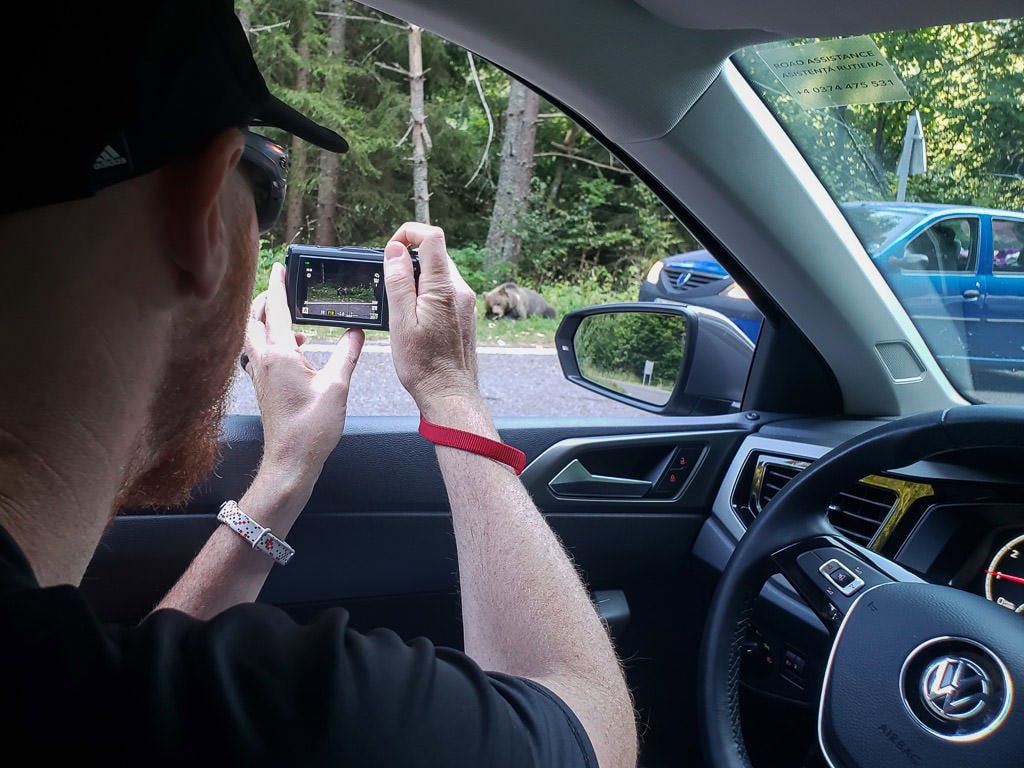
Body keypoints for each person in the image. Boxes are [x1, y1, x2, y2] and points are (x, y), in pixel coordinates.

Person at [0, 2, 637, 766]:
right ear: (204, 215)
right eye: (261, 187)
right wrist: (449, 391)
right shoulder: (315, 719)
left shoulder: (83, 692)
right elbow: (591, 724)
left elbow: (124, 697)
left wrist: (285, 473)